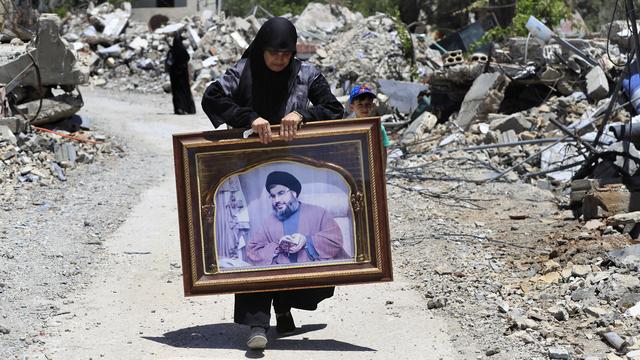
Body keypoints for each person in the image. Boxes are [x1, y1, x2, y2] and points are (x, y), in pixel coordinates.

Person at [201, 17, 344, 351]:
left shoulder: (307, 73)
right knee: (260, 239)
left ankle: (283, 304)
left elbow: (333, 108)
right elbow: (212, 98)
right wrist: (248, 118)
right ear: (261, 49)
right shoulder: (242, 71)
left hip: (295, 164)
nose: (280, 60)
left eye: (286, 54)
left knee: (298, 239)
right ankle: (257, 323)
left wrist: (303, 115)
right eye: (272, 53)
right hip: (252, 167)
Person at [247, 171, 348, 265]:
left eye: (281, 193)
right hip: (283, 277)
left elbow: (335, 241)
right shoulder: (269, 222)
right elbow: (253, 251)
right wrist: (278, 247)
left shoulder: (319, 213)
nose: (276, 200)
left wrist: (307, 241)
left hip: (315, 273)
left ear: (294, 193)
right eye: (273, 196)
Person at [347, 83, 390, 167]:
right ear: (352, 107)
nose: (364, 108)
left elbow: (383, 153)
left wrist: (382, 175)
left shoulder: (379, 128)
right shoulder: (347, 128)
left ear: (373, 106)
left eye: (368, 104)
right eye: (360, 105)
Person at [166, 32, 196, 115]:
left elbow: (169, 62)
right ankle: (188, 109)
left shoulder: (172, 51)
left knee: (177, 92)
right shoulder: (182, 50)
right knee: (184, 91)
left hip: (175, 76)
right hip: (183, 76)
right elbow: (187, 57)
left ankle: (179, 109)